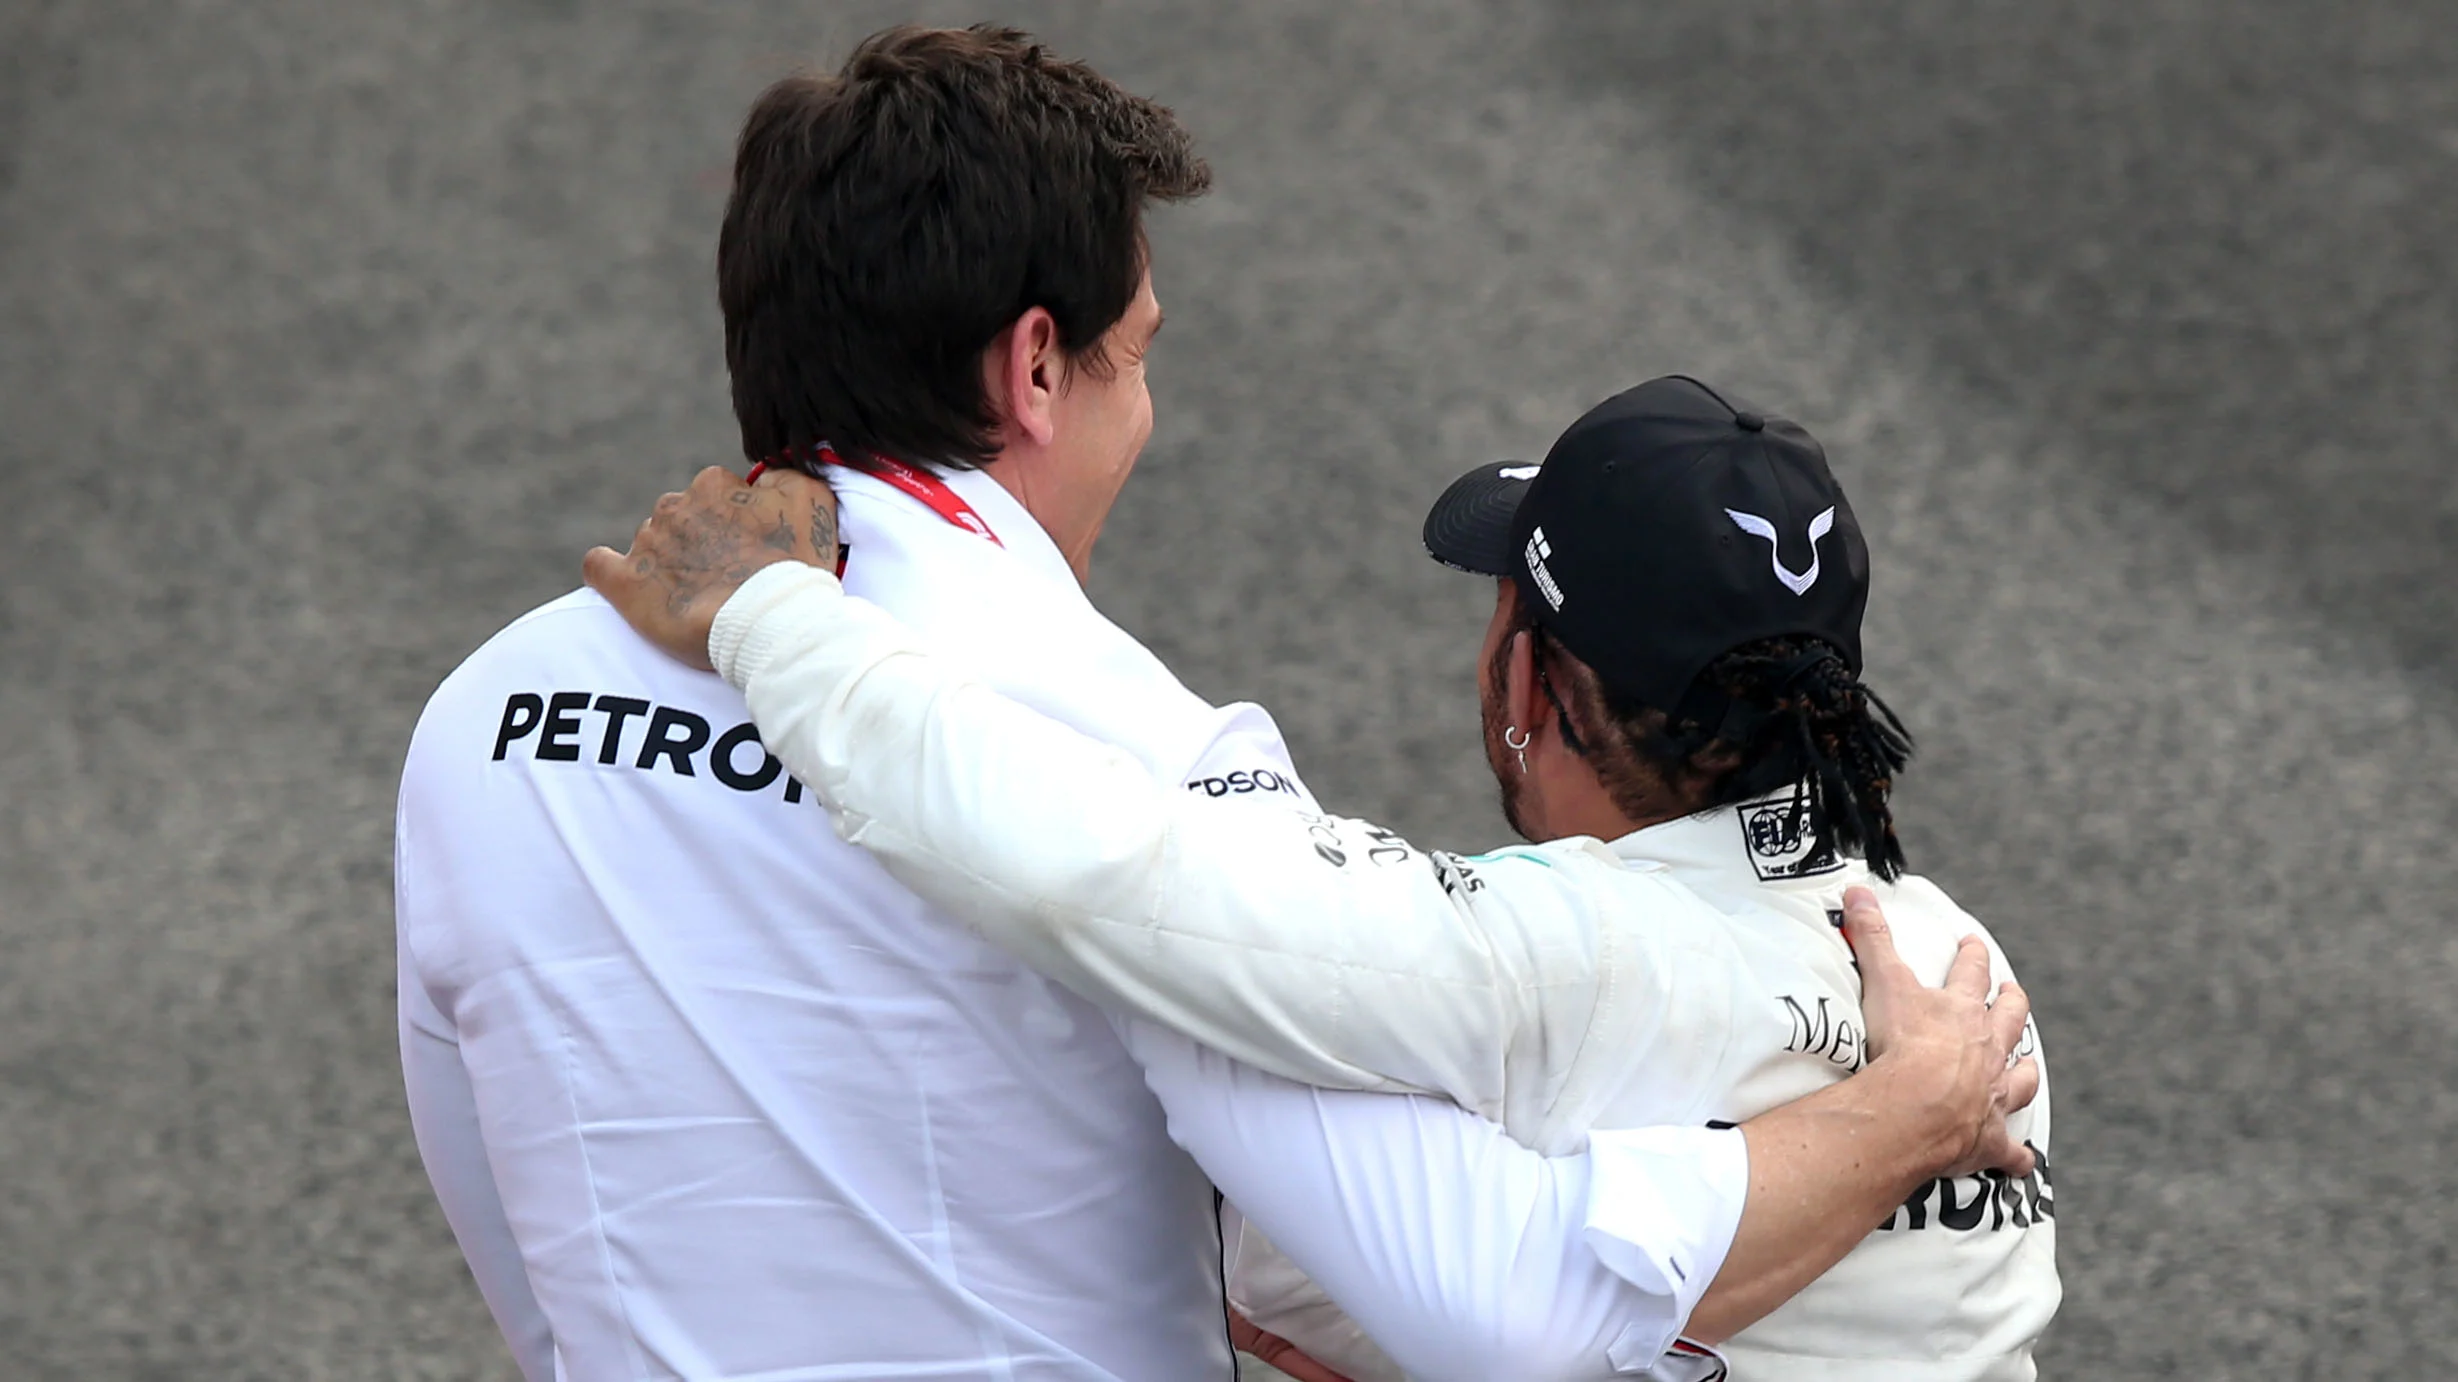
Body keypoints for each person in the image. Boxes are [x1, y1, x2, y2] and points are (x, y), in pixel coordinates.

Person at [399, 25, 2034, 1382]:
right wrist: (1911, 1105)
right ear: (1034, 369)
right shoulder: (1145, 757)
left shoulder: (483, 718)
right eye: (1139, 354)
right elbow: (1504, 1303)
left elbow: (521, 1259)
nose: (1143, 411)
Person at [580, 376, 2059, 1379]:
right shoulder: (1966, 984)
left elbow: (1096, 873)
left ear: (1534, 678)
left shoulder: (1554, 963)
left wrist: (773, 617)